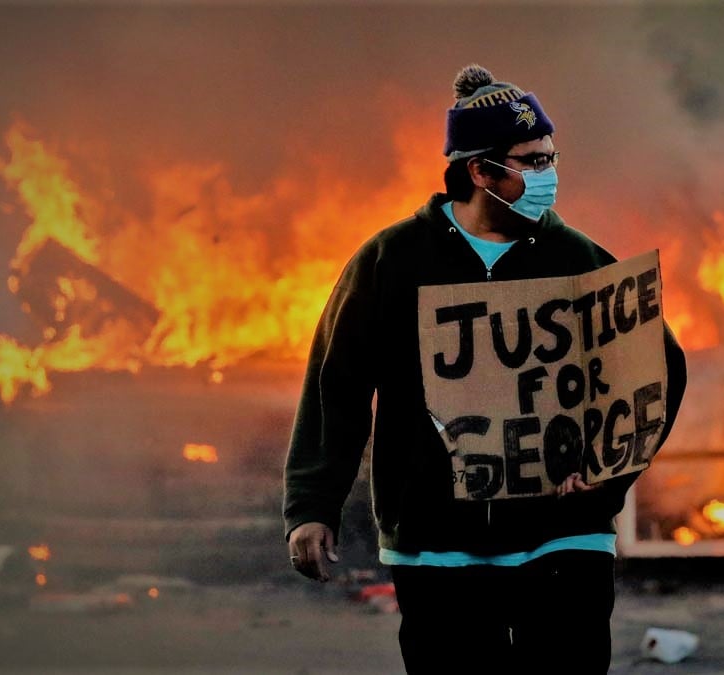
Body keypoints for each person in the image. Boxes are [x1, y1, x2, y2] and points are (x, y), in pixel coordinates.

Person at [281, 64, 688, 675]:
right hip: (437, 547)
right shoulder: (391, 260)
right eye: (531, 162)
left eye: (551, 158)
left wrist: (609, 473)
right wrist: (311, 504)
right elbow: (335, 386)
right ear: (479, 171)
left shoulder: (576, 256)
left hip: (564, 540)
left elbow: (660, 366)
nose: (549, 175)